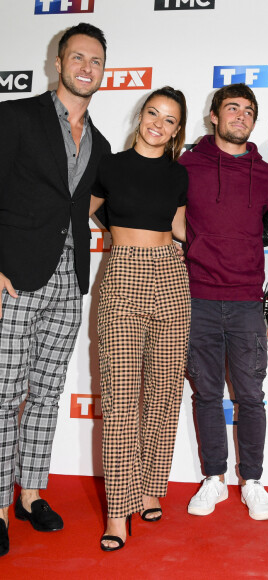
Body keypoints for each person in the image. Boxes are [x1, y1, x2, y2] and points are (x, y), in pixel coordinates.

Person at [0, 23, 110, 557]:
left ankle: (31, 494)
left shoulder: (102, 142)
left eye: (96, 60)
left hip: (69, 283)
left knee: (44, 394)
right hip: (15, 279)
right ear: (58, 62)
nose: (86, 67)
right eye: (78, 57)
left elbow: (82, 202)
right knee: (3, 395)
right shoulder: (16, 116)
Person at [90, 87, 190, 551]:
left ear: (177, 130)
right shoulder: (108, 164)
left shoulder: (179, 175)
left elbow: (182, 230)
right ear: (142, 114)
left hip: (170, 275)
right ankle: (117, 508)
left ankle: (149, 486)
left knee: (166, 392)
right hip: (123, 273)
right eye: (154, 113)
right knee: (121, 397)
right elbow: (76, 216)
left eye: (169, 120)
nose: (159, 124)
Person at [179, 84, 268, 521]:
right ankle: (214, 479)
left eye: (249, 111)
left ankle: (252, 480)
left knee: (252, 397)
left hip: (246, 301)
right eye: (232, 108)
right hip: (196, 296)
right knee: (205, 394)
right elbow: (168, 215)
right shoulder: (186, 165)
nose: (241, 116)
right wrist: (199, 243)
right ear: (214, 116)